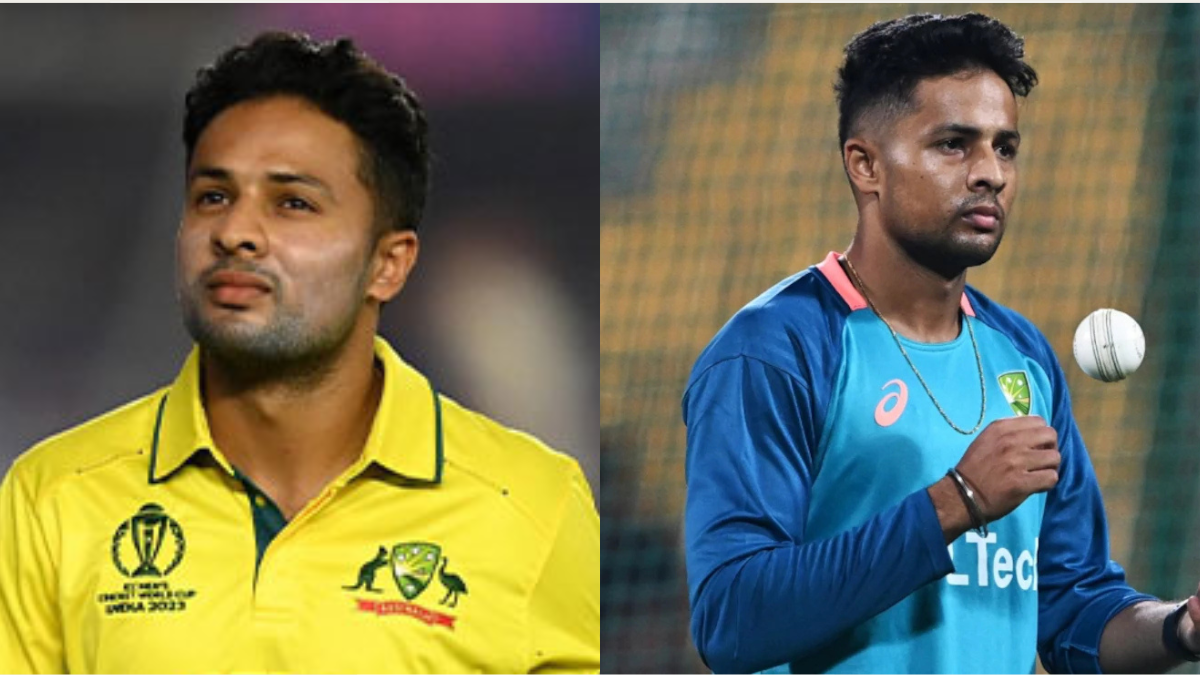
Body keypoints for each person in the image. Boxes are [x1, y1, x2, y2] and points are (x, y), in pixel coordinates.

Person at [0, 32, 599, 674]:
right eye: (213, 197)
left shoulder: (535, 505)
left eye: (293, 203)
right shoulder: (52, 497)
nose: (236, 233)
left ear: (388, 265)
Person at [683, 13, 1200, 674]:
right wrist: (957, 500)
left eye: (1005, 148)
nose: (990, 174)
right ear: (866, 165)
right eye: (954, 145)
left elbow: (1074, 608)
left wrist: (1181, 626)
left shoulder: (1025, 357)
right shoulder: (776, 349)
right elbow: (732, 618)